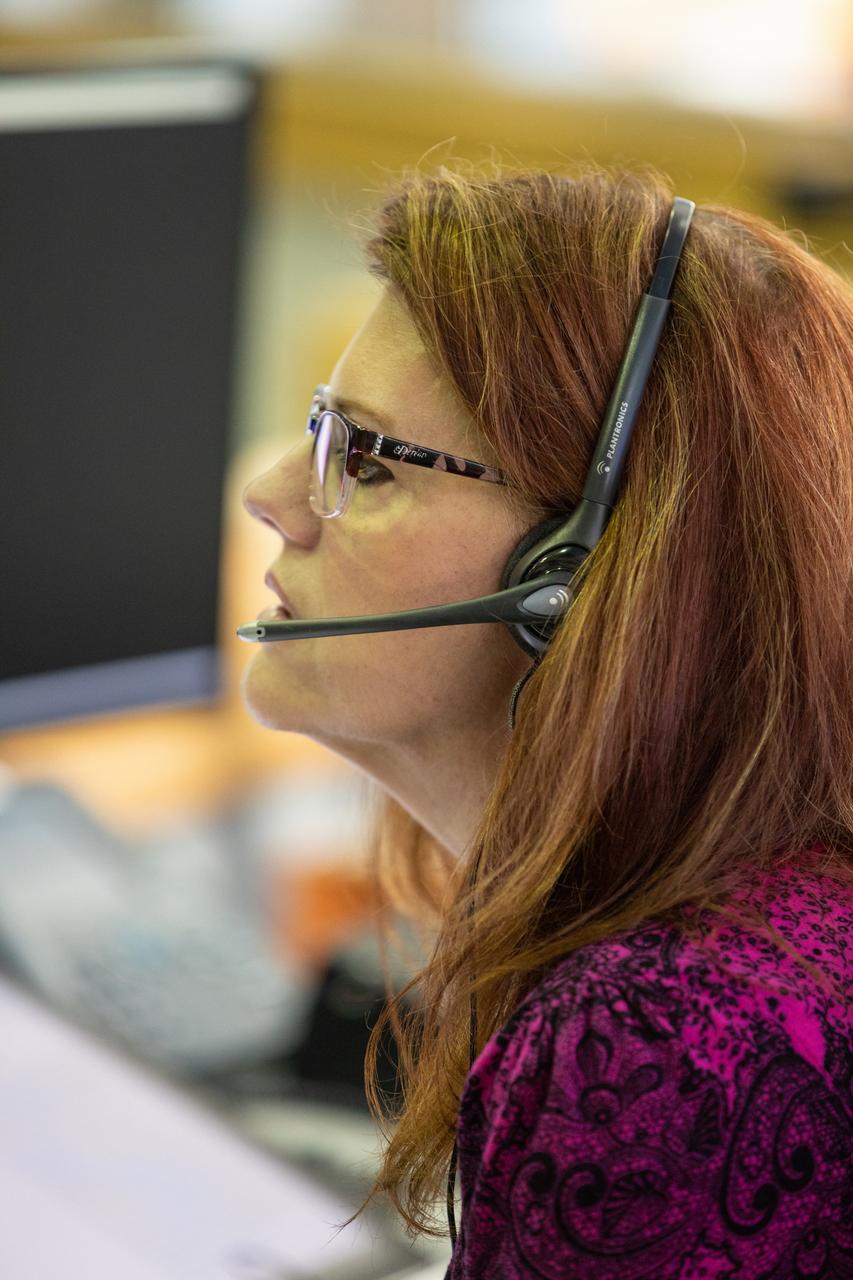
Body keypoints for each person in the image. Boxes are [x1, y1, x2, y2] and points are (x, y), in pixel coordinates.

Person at [240, 160, 853, 1278]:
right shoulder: (761, 896)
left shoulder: (654, 1042)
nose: (275, 493)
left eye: (366, 460)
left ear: (571, 573)